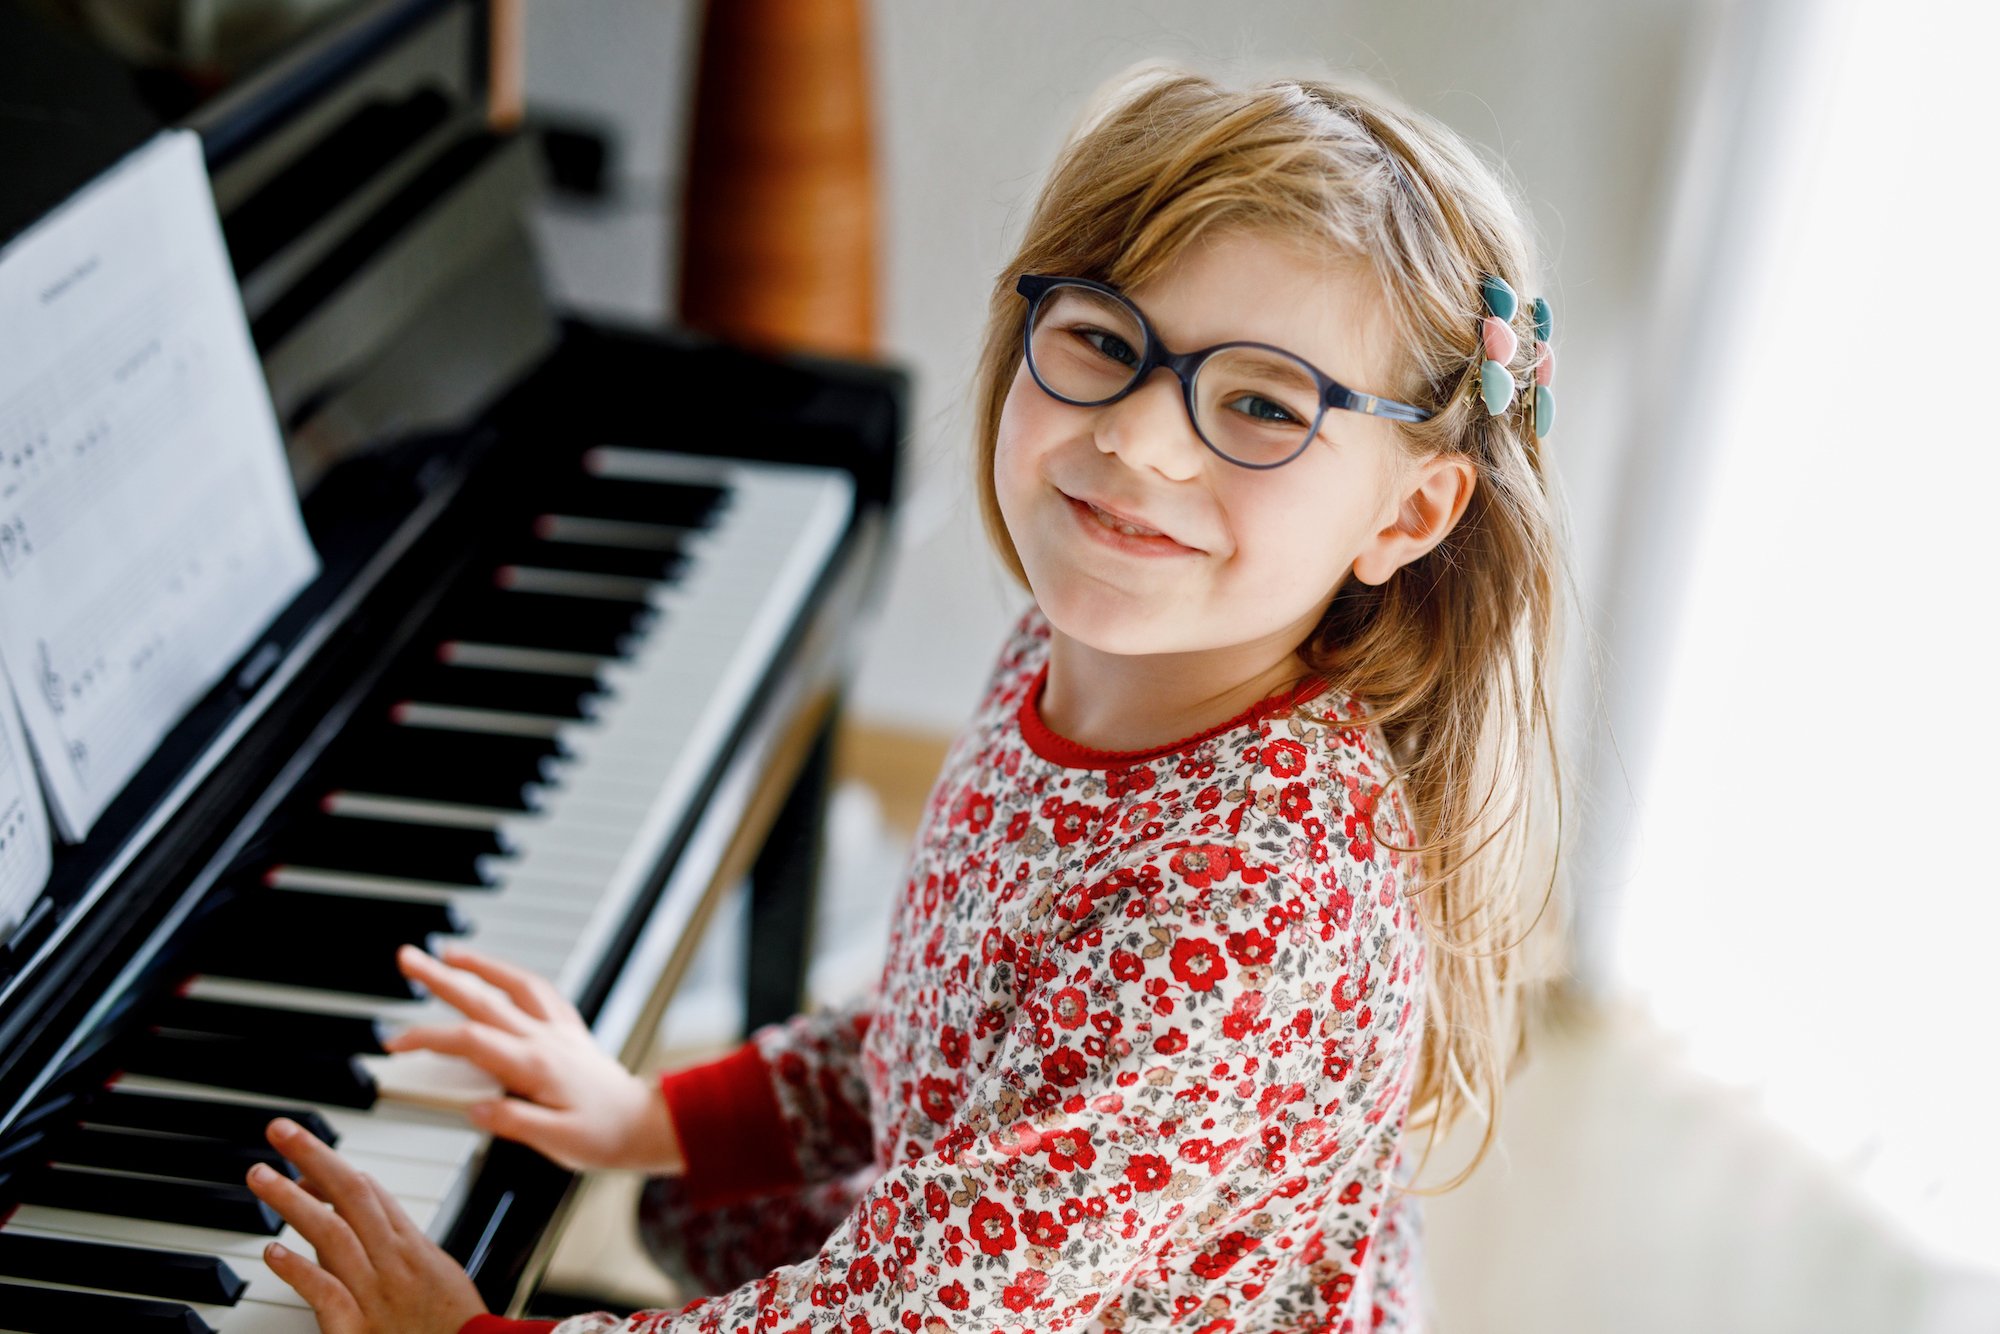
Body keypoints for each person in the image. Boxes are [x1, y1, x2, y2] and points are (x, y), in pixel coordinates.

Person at [244, 60, 1578, 1334]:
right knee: (695, 1196)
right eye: (1106, 339)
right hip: (989, 1268)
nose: (1135, 437)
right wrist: (650, 1112)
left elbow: (922, 1309)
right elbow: (960, 1007)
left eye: (1264, 406)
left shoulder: (1253, 898)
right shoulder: (1077, 652)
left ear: (1408, 512)